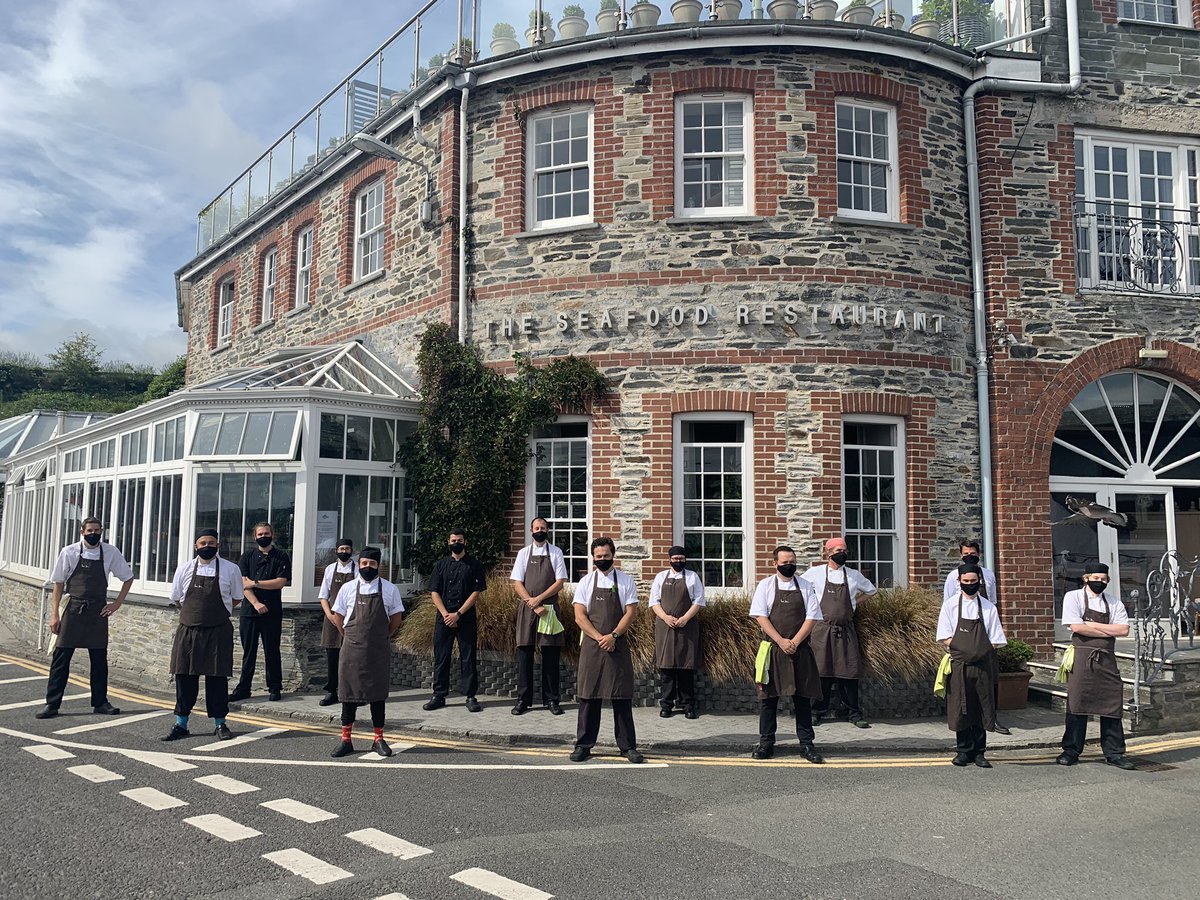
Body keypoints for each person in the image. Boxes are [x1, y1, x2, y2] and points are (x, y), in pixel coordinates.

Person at [35, 518, 135, 720]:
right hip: (73, 609)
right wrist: (54, 614)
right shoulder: (69, 552)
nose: (93, 533)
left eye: (97, 530)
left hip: (98, 610)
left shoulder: (110, 552)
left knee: (99, 659)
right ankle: (52, 704)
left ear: (102, 531)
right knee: (61, 659)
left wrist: (116, 604)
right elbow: (58, 584)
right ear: (82, 532)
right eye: (90, 530)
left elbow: (128, 577)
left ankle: (100, 702)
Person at [162, 529, 245, 742]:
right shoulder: (184, 569)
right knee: (184, 677)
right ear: (195, 546)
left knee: (217, 679)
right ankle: (181, 723)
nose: (207, 546)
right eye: (203, 542)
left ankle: (220, 723)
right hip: (188, 631)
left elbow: (236, 598)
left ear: (218, 545)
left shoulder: (231, 569)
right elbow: (178, 599)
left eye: (212, 542)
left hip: (218, 631)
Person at [570, 537, 643, 764]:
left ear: (613, 555)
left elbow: (630, 612)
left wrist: (612, 636)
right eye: (598, 556)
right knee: (588, 696)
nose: (602, 560)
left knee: (621, 697)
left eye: (606, 556)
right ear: (593, 557)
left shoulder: (625, 581)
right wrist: (598, 637)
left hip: (617, 644)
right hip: (592, 646)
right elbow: (579, 615)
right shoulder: (585, 582)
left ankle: (627, 746)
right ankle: (583, 745)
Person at [749, 546, 825, 763]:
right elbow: (761, 617)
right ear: (775, 564)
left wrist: (795, 641)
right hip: (772, 650)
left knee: (802, 698)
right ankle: (766, 743)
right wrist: (781, 641)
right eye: (785, 562)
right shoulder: (765, 586)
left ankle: (807, 744)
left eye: (792, 561)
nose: (789, 565)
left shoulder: (806, 586)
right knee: (768, 699)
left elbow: (812, 617)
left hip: (800, 650)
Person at [1056, 562, 1135, 770]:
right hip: (1081, 658)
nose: (1099, 582)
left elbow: (1124, 630)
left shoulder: (1114, 602)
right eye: (1096, 578)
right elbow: (1075, 626)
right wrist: (1107, 630)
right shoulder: (1073, 597)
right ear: (1086, 578)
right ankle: (1071, 750)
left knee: (1112, 704)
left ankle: (1114, 753)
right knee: (1077, 702)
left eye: (1103, 579)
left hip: (1107, 659)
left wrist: (1090, 625)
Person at [329, 547, 405, 758]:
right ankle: (346, 740)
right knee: (348, 696)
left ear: (378, 565)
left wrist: (381, 637)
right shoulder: (347, 588)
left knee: (378, 696)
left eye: (372, 564)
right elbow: (337, 616)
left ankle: (378, 739)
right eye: (364, 563)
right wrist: (350, 635)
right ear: (359, 564)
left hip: (378, 651)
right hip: (351, 650)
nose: (367, 567)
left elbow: (396, 618)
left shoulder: (390, 589)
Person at [936, 564, 1007, 768]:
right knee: (961, 707)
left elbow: (996, 639)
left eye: (973, 582)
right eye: (965, 582)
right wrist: (964, 649)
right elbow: (944, 636)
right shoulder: (950, 606)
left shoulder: (988, 608)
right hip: (960, 665)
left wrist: (979, 650)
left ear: (979, 581)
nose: (969, 585)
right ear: (959, 582)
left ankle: (979, 752)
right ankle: (963, 751)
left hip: (983, 665)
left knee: (982, 706)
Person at [805, 536, 875, 729]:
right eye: (837, 551)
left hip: (846, 630)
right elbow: (801, 591)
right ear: (828, 553)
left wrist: (853, 603)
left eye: (844, 550)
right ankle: (817, 711)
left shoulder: (853, 575)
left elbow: (871, 591)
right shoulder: (814, 573)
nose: (842, 554)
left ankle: (853, 713)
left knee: (849, 672)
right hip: (821, 630)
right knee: (822, 672)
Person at [942, 539, 1009, 735]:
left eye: (972, 553)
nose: (969, 556)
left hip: (984, 639)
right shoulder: (952, 579)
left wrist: (984, 647)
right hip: (960, 649)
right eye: (965, 553)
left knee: (987, 692)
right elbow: (947, 607)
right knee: (960, 699)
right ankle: (963, 747)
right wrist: (957, 645)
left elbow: (993, 600)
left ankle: (991, 721)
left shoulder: (989, 576)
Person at [510, 517, 569, 716]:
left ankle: (551, 700)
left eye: (543, 528)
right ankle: (523, 700)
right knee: (525, 653)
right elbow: (517, 582)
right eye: (536, 528)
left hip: (549, 609)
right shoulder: (523, 553)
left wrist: (540, 599)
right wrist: (531, 602)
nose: (540, 530)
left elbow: (560, 581)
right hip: (528, 609)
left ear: (548, 530)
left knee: (550, 654)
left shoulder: (556, 553)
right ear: (530, 530)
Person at [422, 529, 486, 713]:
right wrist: (445, 615)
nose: (456, 543)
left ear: (465, 542)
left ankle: (470, 696)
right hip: (443, 618)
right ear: (448, 543)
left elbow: (476, 592)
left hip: (465, 617)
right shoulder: (441, 565)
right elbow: (434, 591)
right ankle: (438, 695)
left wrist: (458, 613)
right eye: (453, 540)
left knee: (468, 657)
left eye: (459, 540)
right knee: (441, 657)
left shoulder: (474, 565)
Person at [229, 522, 291, 703]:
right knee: (249, 651)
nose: (264, 536)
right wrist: (256, 602)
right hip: (250, 611)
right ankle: (244, 688)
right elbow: (243, 583)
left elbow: (280, 582)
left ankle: (274, 687)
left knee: (272, 650)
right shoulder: (247, 557)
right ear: (254, 537)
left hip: (272, 611)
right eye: (260, 534)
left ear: (273, 535)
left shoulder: (281, 556)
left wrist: (255, 583)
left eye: (267, 533)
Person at [649, 545, 705, 719]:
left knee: (685, 667)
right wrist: (665, 617)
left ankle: (688, 705)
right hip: (665, 627)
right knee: (666, 668)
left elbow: (699, 600)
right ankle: (666, 704)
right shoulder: (660, 577)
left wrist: (685, 618)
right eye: (675, 559)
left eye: (681, 559)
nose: (678, 562)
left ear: (685, 559)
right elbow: (654, 602)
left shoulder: (692, 577)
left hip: (687, 627)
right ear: (670, 559)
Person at [317, 538, 357, 706]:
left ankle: (351, 692)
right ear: (336, 551)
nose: (344, 551)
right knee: (332, 657)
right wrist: (330, 615)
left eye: (347, 548)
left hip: (352, 618)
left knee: (352, 658)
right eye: (341, 548)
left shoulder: (357, 569)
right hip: (332, 620)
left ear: (352, 551)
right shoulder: (329, 569)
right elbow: (323, 596)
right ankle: (332, 691)